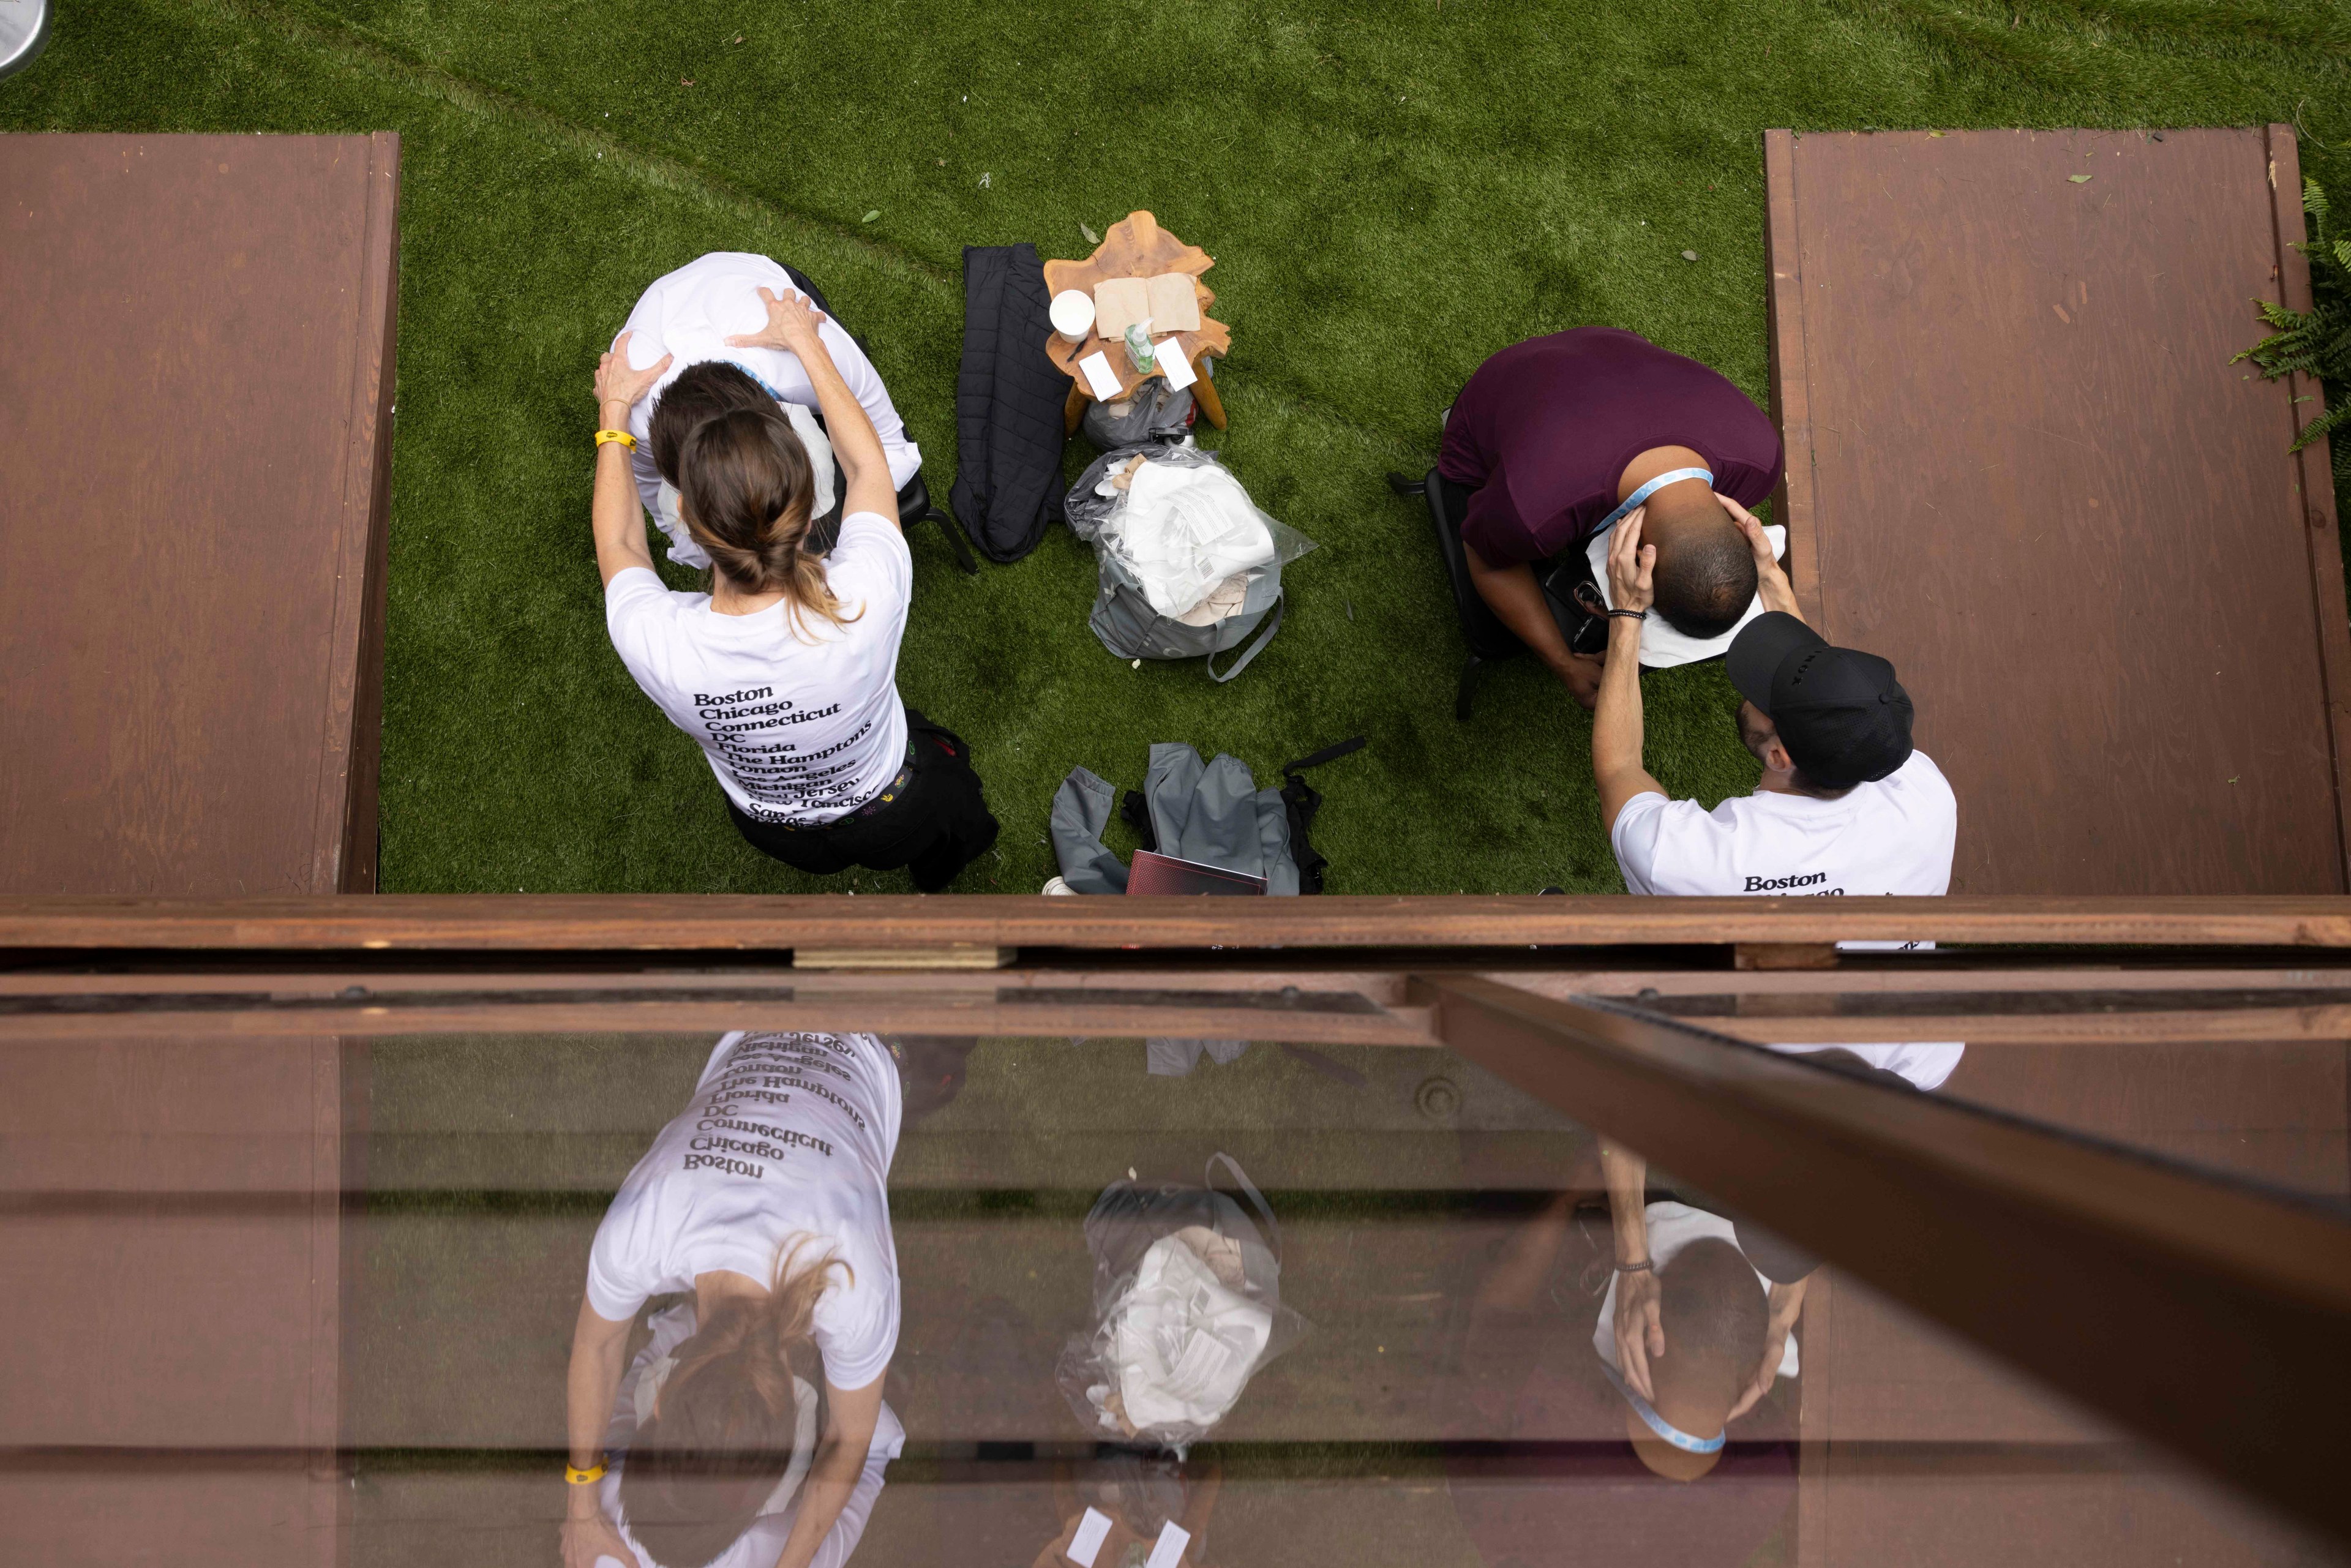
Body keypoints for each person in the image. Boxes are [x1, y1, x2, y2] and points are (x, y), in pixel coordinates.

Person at [591, 288, 999, 890]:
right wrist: (806, 340)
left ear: (694, 529)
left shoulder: (658, 644)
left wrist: (616, 414)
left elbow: (621, 544)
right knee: (952, 833)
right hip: (897, 805)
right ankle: (939, 877)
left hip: (770, 825)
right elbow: (866, 467)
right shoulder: (867, 594)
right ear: (812, 512)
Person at [560, 1031, 904, 1568]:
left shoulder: (855, 1290)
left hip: (879, 1035)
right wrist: (581, 1504)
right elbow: (598, 1345)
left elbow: (853, 1437)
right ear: (658, 1395)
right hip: (761, 1019)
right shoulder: (645, 1224)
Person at [1592, 498, 1957, 905]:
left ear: (1780, 756)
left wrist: (1626, 612)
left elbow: (1619, 767)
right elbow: (1837, 700)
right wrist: (1769, 574)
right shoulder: (1925, 798)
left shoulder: (1690, 860)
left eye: (1766, 693)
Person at [1439, 328, 1785, 707]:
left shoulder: (1762, 461)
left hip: (1610, 344)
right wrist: (1562, 661)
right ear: (1637, 559)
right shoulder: (1533, 513)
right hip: (1497, 388)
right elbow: (1486, 561)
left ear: (1743, 527)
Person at [618, 252, 924, 566]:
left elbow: (893, 446)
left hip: (756, 286)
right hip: (665, 321)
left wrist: (854, 530)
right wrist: (704, 552)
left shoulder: (814, 358)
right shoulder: (636, 423)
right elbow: (661, 511)